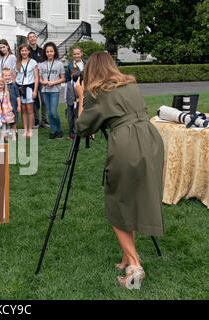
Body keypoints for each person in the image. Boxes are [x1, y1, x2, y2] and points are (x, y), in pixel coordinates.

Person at [76, 52, 164, 289]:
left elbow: (82, 127)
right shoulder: (131, 83)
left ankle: (135, 265)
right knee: (132, 197)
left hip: (127, 144)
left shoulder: (97, 92)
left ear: (91, 71)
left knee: (116, 202)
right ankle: (127, 257)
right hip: (150, 139)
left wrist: (81, 96)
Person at [38, 42, 66, 139]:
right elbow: (40, 79)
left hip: (55, 90)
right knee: (49, 112)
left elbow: (63, 78)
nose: (49, 53)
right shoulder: (41, 65)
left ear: (54, 52)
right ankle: (53, 131)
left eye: (51, 51)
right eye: (47, 51)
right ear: (45, 53)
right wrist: (44, 82)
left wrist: (53, 82)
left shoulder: (59, 64)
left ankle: (59, 129)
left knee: (54, 112)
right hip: (45, 91)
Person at [15, 44, 39, 138]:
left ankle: (30, 129)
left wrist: (35, 91)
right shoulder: (17, 63)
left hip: (29, 87)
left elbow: (36, 77)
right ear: (20, 52)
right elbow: (15, 77)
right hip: (20, 88)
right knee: (23, 109)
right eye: (22, 51)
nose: (24, 52)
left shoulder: (33, 62)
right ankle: (25, 129)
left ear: (29, 51)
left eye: (26, 50)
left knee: (30, 109)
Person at [27, 31, 48, 129]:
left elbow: (45, 64)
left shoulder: (42, 51)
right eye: (30, 37)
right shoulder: (26, 51)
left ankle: (44, 120)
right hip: (32, 80)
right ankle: (36, 120)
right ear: (28, 39)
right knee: (34, 100)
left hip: (42, 79)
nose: (32, 38)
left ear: (36, 38)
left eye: (33, 37)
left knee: (44, 100)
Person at [65, 47, 86, 140]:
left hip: (85, 89)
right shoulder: (70, 66)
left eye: (78, 53)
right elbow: (67, 80)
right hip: (73, 91)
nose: (76, 55)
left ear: (81, 54)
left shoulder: (86, 64)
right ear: (72, 55)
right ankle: (72, 132)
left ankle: (84, 130)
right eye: (74, 54)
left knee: (83, 111)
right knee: (72, 112)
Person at [0, 77, 16, 142]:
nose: (0, 86)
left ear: (4, 85)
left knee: (4, 125)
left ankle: (2, 139)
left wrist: (10, 107)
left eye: (1, 85)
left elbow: (8, 101)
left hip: (5, 110)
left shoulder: (6, 92)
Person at [2, 67, 21, 137]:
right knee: (6, 117)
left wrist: (19, 106)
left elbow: (18, 96)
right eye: (5, 76)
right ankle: (7, 130)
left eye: (9, 75)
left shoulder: (14, 85)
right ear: (2, 76)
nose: (7, 77)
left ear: (11, 76)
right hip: (5, 106)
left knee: (14, 117)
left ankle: (14, 129)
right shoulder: (2, 85)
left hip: (14, 105)